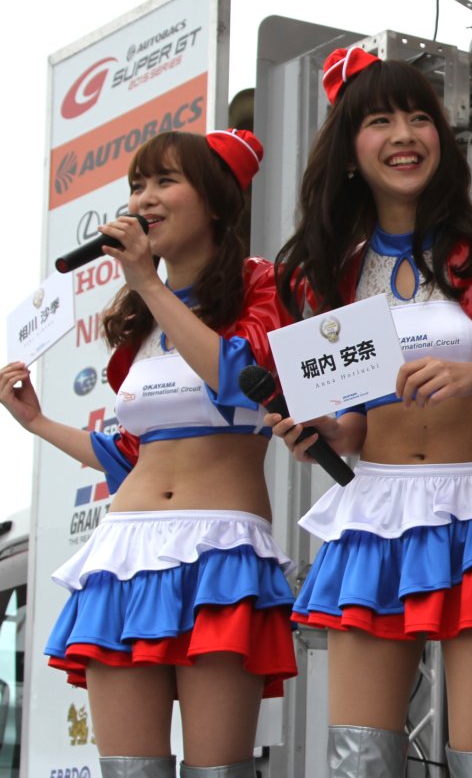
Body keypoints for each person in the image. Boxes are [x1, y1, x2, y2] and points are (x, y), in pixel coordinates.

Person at [270, 47, 472, 778]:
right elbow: (353, 426)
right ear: (349, 149)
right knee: (359, 758)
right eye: (381, 121)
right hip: (377, 508)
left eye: (420, 117)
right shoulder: (326, 273)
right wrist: (321, 431)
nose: (404, 135)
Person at [0, 129, 295, 778]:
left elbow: (240, 376)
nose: (144, 200)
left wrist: (148, 283)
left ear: (214, 200)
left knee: (219, 770)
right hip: (124, 551)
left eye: (165, 182)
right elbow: (130, 456)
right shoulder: (141, 322)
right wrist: (37, 422)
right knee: (130, 769)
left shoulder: (262, 285)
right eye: (137, 186)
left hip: (221, 550)